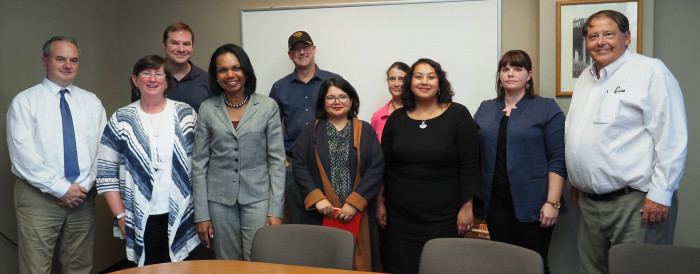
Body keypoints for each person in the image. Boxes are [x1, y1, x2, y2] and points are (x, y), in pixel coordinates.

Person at [565, 10, 687, 274]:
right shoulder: (586, 78)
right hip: (589, 204)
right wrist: (578, 181)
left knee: (639, 269)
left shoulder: (650, 71)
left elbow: (671, 137)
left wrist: (661, 194)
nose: (600, 42)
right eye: (593, 36)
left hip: (636, 203)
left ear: (626, 37)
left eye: (608, 34)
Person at [7, 36, 106, 274]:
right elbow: (23, 156)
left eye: (73, 60)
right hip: (38, 198)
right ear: (45, 61)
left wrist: (81, 187)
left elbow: (105, 150)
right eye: (60, 59)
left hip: (83, 197)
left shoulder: (91, 102)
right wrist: (62, 189)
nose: (67, 65)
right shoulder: (24, 102)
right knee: (36, 269)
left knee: (80, 267)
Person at [97, 55, 200, 266]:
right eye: (146, 73)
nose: (152, 79)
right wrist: (120, 216)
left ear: (167, 81)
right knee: (149, 268)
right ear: (135, 80)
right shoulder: (121, 118)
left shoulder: (185, 114)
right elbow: (105, 173)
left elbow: (201, 164)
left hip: (181, 212)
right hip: (141, 214)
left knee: (181, 268)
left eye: (158, 74)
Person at [381, 58, 480, 274]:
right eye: (418, 76)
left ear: (440, 83)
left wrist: (466, 207)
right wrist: (380, 202)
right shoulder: (396, 118)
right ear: (410, 83)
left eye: (431, 76)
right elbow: (386, 166)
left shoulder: (458, 115)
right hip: (400, 218)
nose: (424, 82)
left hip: (443, 218)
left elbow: (469, 164)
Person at [473, 50, 567, 274]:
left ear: (529, 75)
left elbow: (558, 157)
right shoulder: (486, 108)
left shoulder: (546, 108)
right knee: (503, 265)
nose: (510, 74)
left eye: (517, 69)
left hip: (535, 204)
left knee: (533, 265)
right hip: (496, 203)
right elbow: (473, 154)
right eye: (505, 69)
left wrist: (552, 203)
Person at [193, 44, 285, 260]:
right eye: (223, 70)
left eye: (236, 68)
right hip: (219, 201)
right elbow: (198, 164)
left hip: (258, 198)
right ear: (216, 76)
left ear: (246, 71)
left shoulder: (267, 106)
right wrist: (201, 214)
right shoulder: (207, 108)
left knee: (259, 258)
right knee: (227, 262)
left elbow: (277, 161)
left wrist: (275, 210)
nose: (230, 74)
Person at [293, 77, 384, 271]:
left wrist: (354, 203)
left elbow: (377, 168)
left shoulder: (365, 130)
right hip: (320, 214)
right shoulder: (312, 131)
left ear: (351, 100)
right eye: (330, 97)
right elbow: (298, 165)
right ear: (323, 103)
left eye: (342, 96)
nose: (337, 102)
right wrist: (318, 199)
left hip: (357, 214)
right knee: (321, 263)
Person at [269, 31, 342, 224]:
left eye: (306, 47)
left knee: (331, 217)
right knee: (299, 220)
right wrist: (281, 159)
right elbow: (270, 127)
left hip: (330, 161)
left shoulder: (333, 82)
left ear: (314, 49)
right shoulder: (280, 87)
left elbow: (347, 119)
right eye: (296, 49)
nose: (302, 52)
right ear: (290, 55)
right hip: (293, 164)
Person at [131, 22, 212, 112]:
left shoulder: (207, 80)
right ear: (164, 45)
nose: (181, 49)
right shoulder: (148, 81)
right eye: (174, 43)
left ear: (193, 46)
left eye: (186, 44)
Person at [371, 61, 410, 143]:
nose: (396, 84)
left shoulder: (419, 110)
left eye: (401, 79)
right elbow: (373, 150)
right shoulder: (378, 116)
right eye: (392, 79)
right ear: (387, 81)